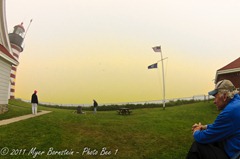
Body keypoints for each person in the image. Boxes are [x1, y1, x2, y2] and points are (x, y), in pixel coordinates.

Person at [186, 79, 240, 159]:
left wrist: (196, 131)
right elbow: (221, 127)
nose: (214, 101)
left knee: (198, 146)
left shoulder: (230, 112)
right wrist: (204, 127)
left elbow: (203, 137)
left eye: (215, 97)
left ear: (224, 96)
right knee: (212, 141)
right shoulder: (237, 104)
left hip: (235, 155)